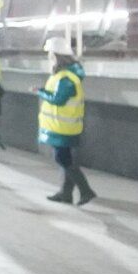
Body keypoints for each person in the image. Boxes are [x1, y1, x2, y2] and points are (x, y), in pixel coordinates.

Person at [39, 38, 96, 205]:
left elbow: (58, 99)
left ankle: (86, 190)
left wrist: (41, 92)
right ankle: (66, 193)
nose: (49, 58)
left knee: (63, 159)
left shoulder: (66, 78)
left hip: (63, 126)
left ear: (57, 56)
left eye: (50, 55)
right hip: (64, 125)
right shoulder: (67, 75)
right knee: (65, 159)